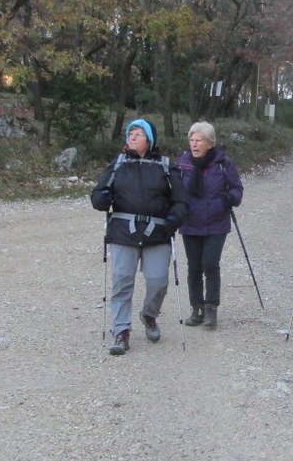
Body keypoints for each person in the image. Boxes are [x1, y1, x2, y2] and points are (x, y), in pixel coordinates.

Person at [91, 119, 188, 356]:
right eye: (130, 133)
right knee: (122, 282)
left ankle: (149, 315)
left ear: (150, 140)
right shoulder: (118, 164)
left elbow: (181, 200)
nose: (132, 137)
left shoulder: (166, 166)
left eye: (138, 134)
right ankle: (121, 331)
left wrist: (175, 218)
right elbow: (98, 194)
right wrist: (101, 199)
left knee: (158, 282)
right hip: (123, 232)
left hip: (158, 232)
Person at [176, 121, 244, 329]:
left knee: (210, 265)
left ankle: (211, 309)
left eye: (199, 140)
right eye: (192, 140)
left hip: (216, 223)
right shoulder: (183, 163)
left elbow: (237, 190)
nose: (194, 144)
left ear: (210, 143)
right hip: (190, 222)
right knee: (194, 267)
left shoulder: (223, 164)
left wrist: (227, 200)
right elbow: (174, 189)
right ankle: (196, 308)